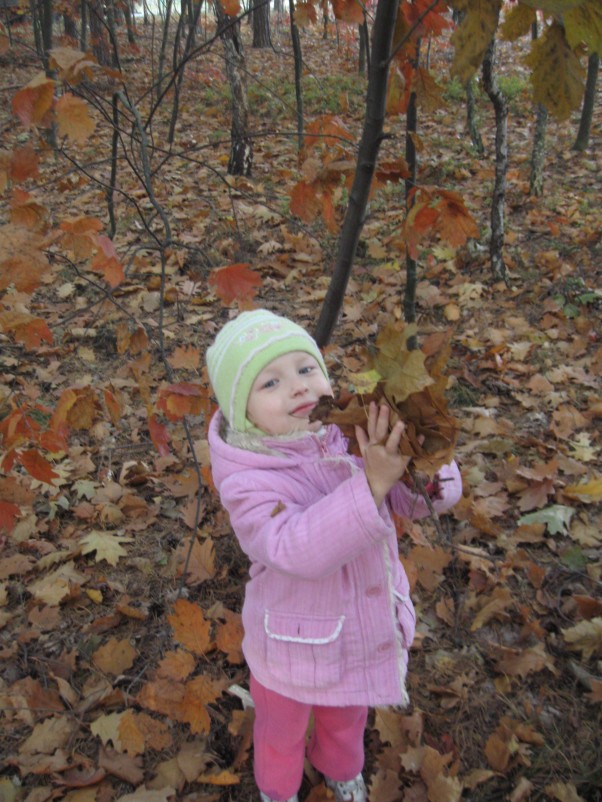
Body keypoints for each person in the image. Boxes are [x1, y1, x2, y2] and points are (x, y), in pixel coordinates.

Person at [206, 309, 462, 802]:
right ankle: (276, 791)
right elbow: (292, 546)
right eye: (271, 383)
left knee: (347, 720)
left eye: (307, 369)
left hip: (358, 632)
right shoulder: (248, 478)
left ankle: (342, 771)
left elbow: (408, 499)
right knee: (280, 734)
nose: (299, 388)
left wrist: (422, 464)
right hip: (288, 646)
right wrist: (370, 484)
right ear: (243, 412)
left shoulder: (347, 431)